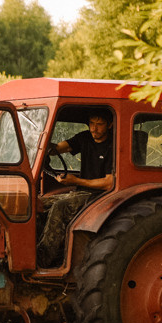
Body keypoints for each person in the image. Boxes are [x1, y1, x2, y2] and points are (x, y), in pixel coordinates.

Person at [37, 112, 114, 267]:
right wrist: (45, 149)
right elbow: (58, 148)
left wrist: (76, 181)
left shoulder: (113, 146)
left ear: (110, 125)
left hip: (100, 196)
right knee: (38, 203)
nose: (94, 129)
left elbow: (108, 183)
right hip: (81, 192)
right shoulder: (85, 137)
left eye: (99, 124)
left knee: (60, 207)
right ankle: (37, 247)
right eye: (92, 123)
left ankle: (43, 259)